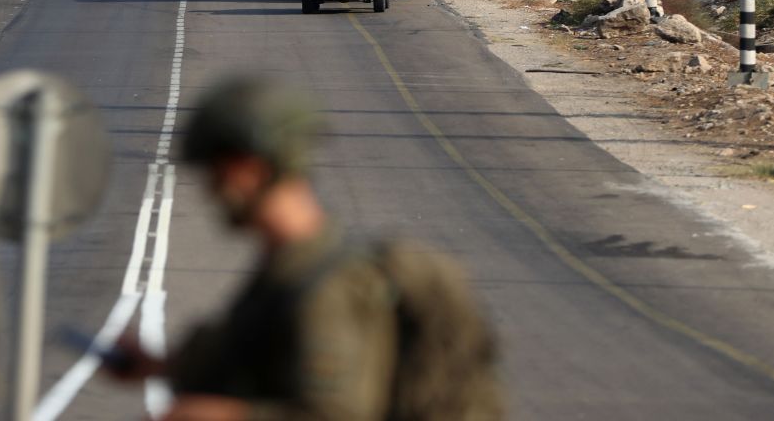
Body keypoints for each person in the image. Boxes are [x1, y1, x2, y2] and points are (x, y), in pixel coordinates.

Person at [108, 77, 503, 421]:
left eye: (216, 173)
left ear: (248, 168)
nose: (212, 191)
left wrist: (222, 417)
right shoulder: (286, 269)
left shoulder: (324, 287)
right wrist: (161, 365)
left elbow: (335, 413)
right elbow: (257, 355)